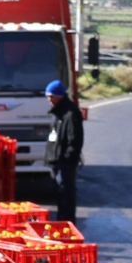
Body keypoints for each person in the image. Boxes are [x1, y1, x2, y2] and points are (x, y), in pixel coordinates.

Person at [46, 78, 84, 222]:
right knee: (59, 192)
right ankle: (62, 221)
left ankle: (66, 222)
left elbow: (75, 140)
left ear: (60, 96)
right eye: (48, 97)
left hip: (64, 162)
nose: (49, 100)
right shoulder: (57, 112)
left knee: (66, 193)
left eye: (52, 97)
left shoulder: (71, 113)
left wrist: (67, 159)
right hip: (57, 160)